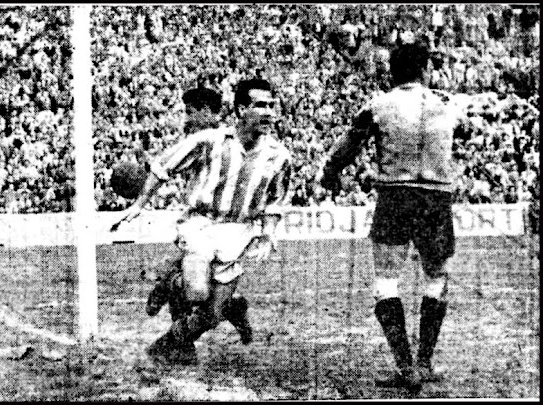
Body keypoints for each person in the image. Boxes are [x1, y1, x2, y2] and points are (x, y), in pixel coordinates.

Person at [317, 41, 466, 389]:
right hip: (436, 196)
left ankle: (404, 366)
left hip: (395, 195)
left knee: (386, 279)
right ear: (426, 70)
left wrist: (330, 174)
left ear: (392, 72)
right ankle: (425, 361)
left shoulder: (378, 105)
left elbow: (348, 145)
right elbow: (466, 129)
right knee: (436, 277)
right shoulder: (447, 104)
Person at [112, 78, 292, 365]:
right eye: (261, 105)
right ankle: (169, 281)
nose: (269, 112)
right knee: (196, 291)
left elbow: (275, 202)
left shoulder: (279, 156)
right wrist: (138, 204)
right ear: (242, 108)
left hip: (239, 232)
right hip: (201, 224)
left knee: (212, 314)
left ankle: (172, 342)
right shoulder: (211, 141)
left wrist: (267, 235)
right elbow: (163, 167)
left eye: (272, 106)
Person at [144, 85, 253, 345]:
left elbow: (164, 166)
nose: (187, 119)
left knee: (198, 292)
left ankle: (171, 285)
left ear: (207, 111)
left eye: (190, 112)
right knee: (201, 294)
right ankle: (188, 333)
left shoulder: (216, 140)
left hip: (220, 230)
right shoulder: (220, 141)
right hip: (211, 229)